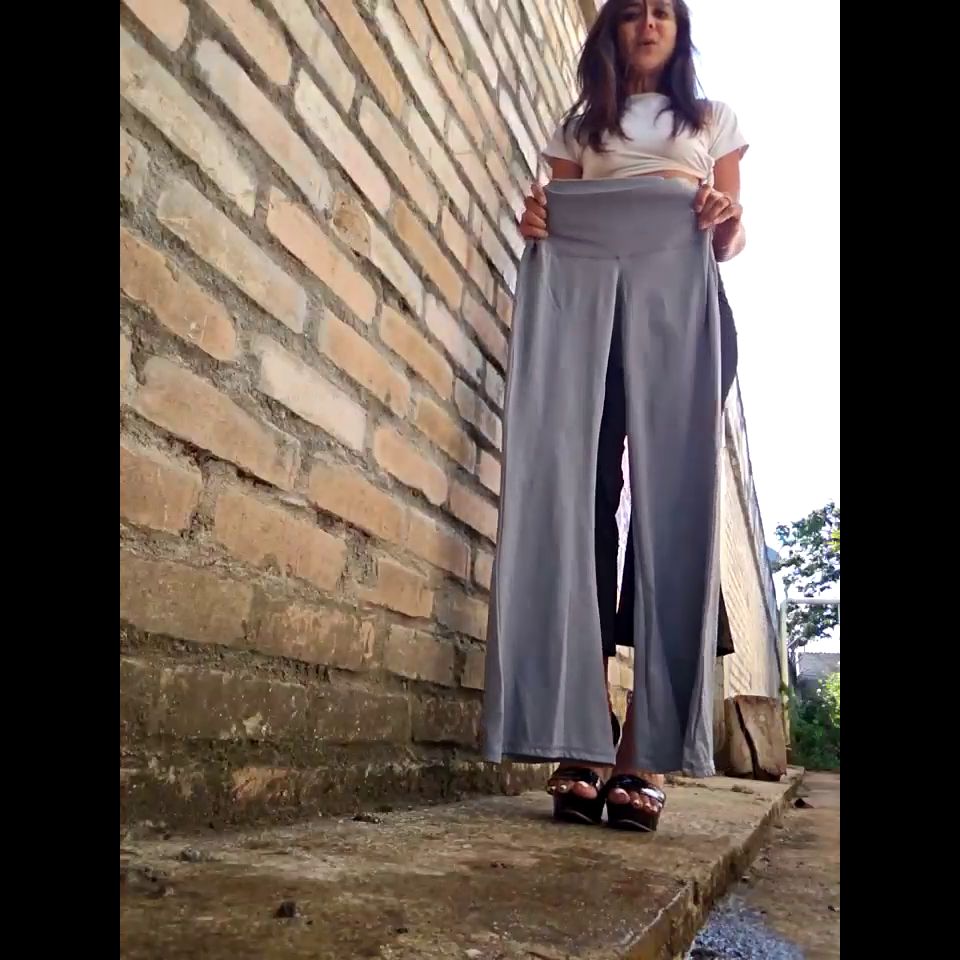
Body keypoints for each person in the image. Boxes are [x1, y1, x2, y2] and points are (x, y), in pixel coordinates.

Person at [482, 0, 748, 831]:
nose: (648, 23)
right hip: (586, 316)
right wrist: (537, 219)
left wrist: (725, 218)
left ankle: (644, 749)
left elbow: (730, 239)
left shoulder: (710, 119)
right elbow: (554, 220)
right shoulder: (578, 129)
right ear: (611, 31)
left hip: (685, 313)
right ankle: (583, 734)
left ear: (680, 31)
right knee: (580, 501)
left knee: (675, 503)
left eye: (663, 11)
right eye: (632, 12)